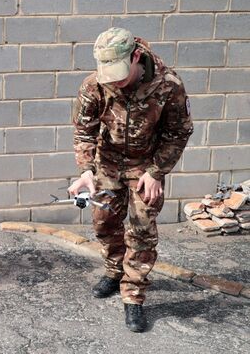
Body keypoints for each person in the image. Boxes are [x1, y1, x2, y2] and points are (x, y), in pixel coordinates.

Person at [68, 27, 193, 332]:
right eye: (108, 74)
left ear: (136, 57)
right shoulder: (94, 85)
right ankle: (113, 271)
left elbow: (178, 133)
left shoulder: (168, 85)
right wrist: (86, 170)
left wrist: (156, 172)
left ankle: (133, 296)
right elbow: (84, 131)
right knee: (104, 223)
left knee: (141, 231)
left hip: (144, 167)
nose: (115, 81)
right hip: (106, 165)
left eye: (120, 74)